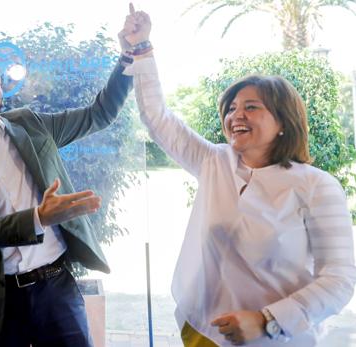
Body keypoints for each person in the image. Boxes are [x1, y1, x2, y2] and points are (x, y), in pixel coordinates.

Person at [120, 6, 356, 347]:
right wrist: (141, 48)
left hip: (276, 340)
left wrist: (267, 321)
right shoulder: (215, 161)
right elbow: (158, 118)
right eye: (231, 107)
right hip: (202, 330)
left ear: (283, 123)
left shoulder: (316, 185)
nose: (236, 115)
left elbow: (339, 279)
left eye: (251, 107)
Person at [0, 46, 132, 347]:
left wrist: (129, 55)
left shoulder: (30, 125)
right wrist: (39, 218)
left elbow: (99, 114)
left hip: (57, 288)